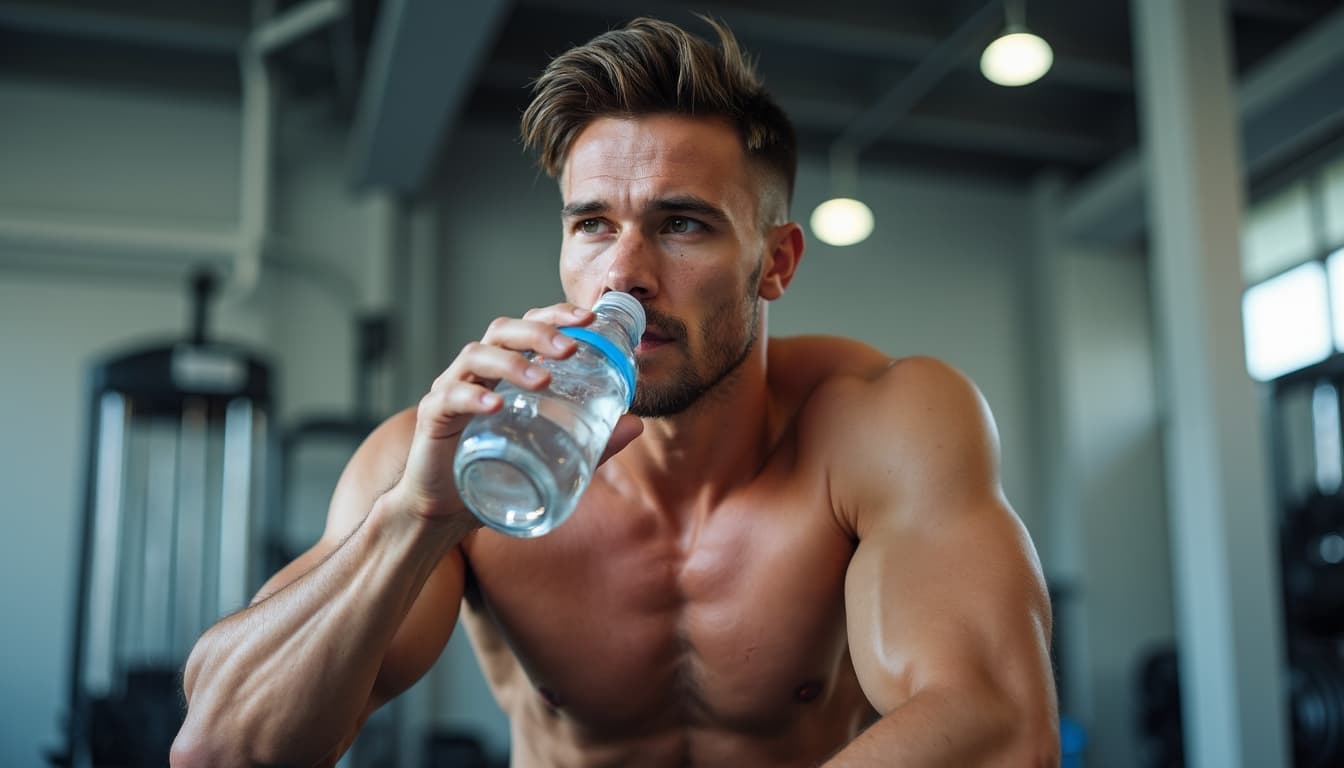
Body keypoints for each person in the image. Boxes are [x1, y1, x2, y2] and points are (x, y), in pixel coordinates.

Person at [172, 16, 1058, 767]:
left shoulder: (882, 424)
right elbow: (219, 749)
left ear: (774, 264)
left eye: (682, 225)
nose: (623, 275)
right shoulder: (443, 456)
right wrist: (419, 518)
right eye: (593, 224)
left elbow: (1003, 728)